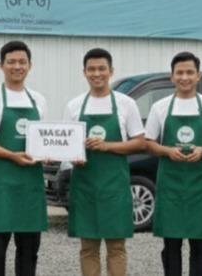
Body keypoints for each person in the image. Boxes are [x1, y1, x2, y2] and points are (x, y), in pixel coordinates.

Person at [144, 51, 202, 276]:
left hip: (200, 184)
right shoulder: (160, 107)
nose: (184, 77)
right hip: (170, 184)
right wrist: (168, 151)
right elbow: (149, 143)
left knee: (199, 243)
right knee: (171, 244)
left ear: (198, 75)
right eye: (179, 72)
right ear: (171, 77)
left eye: (189, 72)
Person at [65, 48, 146, 276]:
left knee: (116, 247)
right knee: (87, 248)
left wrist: (106, 146)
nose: (96, 73)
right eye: (91, 69)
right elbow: (67, 145)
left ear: (111, 71)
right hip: (85, 184)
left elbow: (139, 142)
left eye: (102, 68)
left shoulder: (126, 104)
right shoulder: (74, 106)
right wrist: (74, 158)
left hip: (114, 185)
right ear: (84, 72)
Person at [0, 41, 48, 276]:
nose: (17, 66)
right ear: (1, 65)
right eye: (11, 62)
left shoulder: (38, 100)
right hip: (1, 183)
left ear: (30, 65)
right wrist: (11, 155)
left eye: (22, 62)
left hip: (30, 185)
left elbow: (43, 139)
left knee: (29, 249)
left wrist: (52, 155)